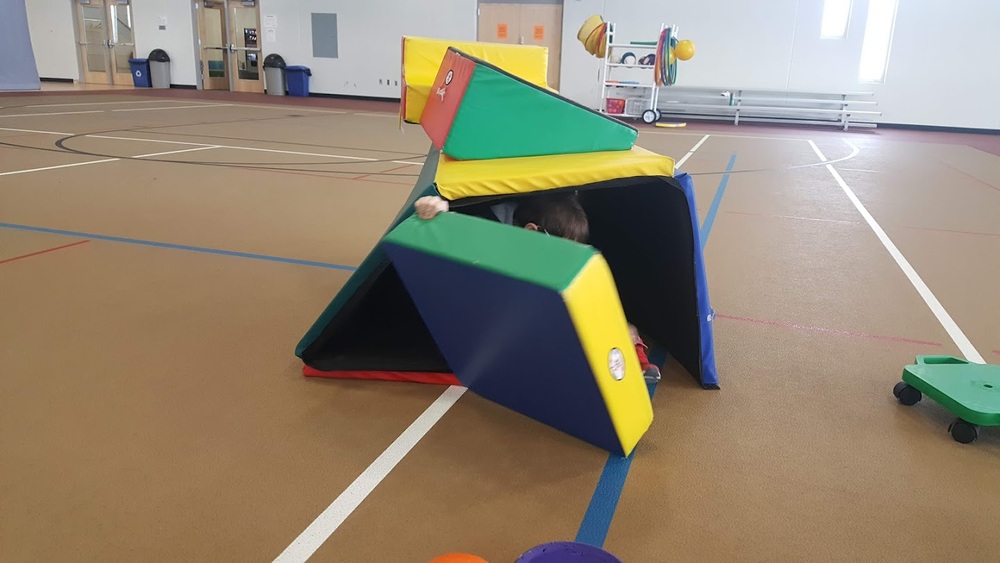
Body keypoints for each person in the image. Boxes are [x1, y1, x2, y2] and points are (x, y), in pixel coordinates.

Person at [413, 193, 661, 382]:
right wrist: (436, 208)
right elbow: (453, 226)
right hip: (490, 303)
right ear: (532, 231)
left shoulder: (545, 238)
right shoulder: (489, 226)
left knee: (624, 326)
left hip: (527, 299)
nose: (561, 258)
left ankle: (637, 357)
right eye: (559, 251)